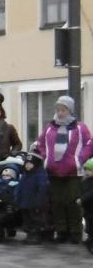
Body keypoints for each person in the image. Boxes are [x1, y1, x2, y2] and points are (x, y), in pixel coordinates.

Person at [34, 95, 93, 244]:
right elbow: (40, 143)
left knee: (73, 202)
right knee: (57, 202)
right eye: (58, 110)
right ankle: (61, 231)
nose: (60, 113)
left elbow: (89, 144)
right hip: (53, 172)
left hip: (73, 173)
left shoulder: (80, 127)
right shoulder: (49, 127)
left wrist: (79, 160)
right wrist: (46, 158)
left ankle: (75, 232)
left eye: (63, 110)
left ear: (70, 111)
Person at [15, 151, 49, 245]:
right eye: (26, 163)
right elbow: (19, 188)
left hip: (35, 203)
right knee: (27, 220)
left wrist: (39, 202)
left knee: (36, 220)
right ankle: (29, 234)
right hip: (25, 203)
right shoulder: (25, 175)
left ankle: (36, 236)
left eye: (30, 164)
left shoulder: (40, 175)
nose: (27, 166)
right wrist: (17, 199)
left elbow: (42, 189)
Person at [80, 157, 93, 253]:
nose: (87, 172)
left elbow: (90, 194)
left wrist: (82, 199)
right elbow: (82, 191)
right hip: (87, 208)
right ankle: (89, 239)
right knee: (88, 225)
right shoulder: (84, 181)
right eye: (86, 170)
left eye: (89, 170)